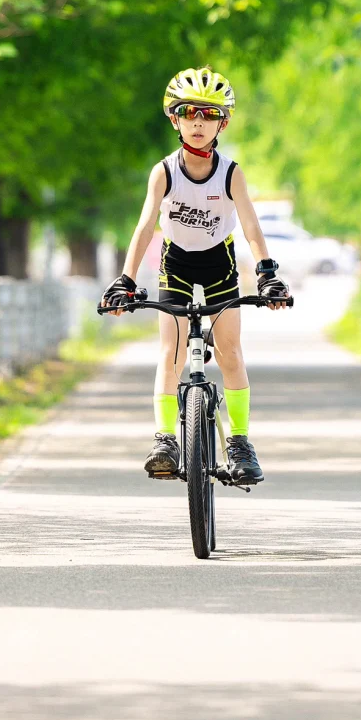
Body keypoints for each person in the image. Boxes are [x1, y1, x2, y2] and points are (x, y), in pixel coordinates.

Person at [99, 66, 290, 486]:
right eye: (189, 113)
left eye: (208, 115)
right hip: (177, 264)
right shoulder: (164, 171)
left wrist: (267, 275)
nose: (198, 123)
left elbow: (252, 227)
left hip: (219, 264)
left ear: (223, 122)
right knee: (173, 350)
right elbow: (145, 226)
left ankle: (239, 441)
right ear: (175, 119)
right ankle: (166, 439)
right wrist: (125, 280)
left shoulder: (230, 173)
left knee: (231, 352)